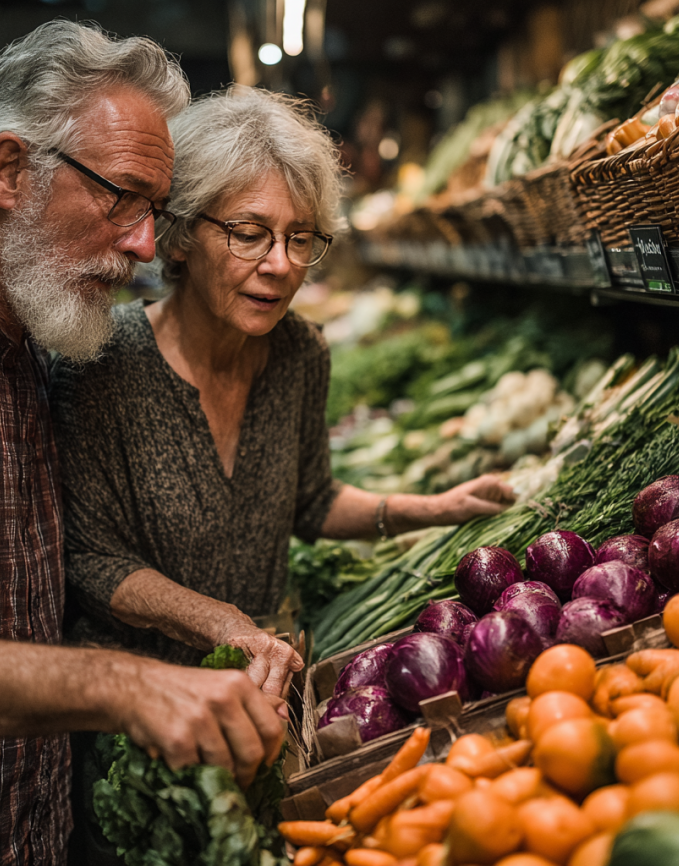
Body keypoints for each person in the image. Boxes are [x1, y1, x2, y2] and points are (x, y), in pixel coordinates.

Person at [0, 22, 285, 866]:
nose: (146, 245)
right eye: (122, 198)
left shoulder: (36, 336)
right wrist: (123, 685)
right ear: (9, 170)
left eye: (156, 212)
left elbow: (64, 567)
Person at [50, 86, 515, 699]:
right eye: (249, 233)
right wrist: (222, 623)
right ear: (183, 234)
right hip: (138, 705)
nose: (279, 264)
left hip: (261, 693)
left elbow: (312, 500)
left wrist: (436, 508)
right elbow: (90, 558)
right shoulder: (101, 363)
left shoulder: (300, 353)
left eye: (300, 238)